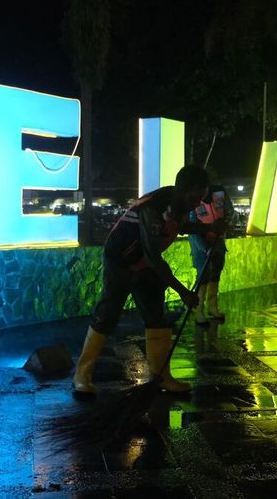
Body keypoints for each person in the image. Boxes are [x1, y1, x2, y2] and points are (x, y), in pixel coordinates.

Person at [73, 166, 224, 395]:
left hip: (144, 264)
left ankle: (161, 375)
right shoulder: (153, 207)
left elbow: (181, 227)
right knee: (108, 313)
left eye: (200, 198)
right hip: (120, 261)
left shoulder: (180, 205)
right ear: (182, 189)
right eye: (195, 197)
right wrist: (183, 291)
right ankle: (82, 376)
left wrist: (209, 226)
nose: (197, 203)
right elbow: (153, 257)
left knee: (156, 316)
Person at [189, 183, 233, 325]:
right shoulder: (194, 197)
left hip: (218, 239)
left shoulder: (219, 193)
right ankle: (199, 310)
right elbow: (191, 224)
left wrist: (224, 223)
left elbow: (229, 210)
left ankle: (212, 307)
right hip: (200, 240)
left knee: (216, 272)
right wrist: (204, 239)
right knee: (203, 274)